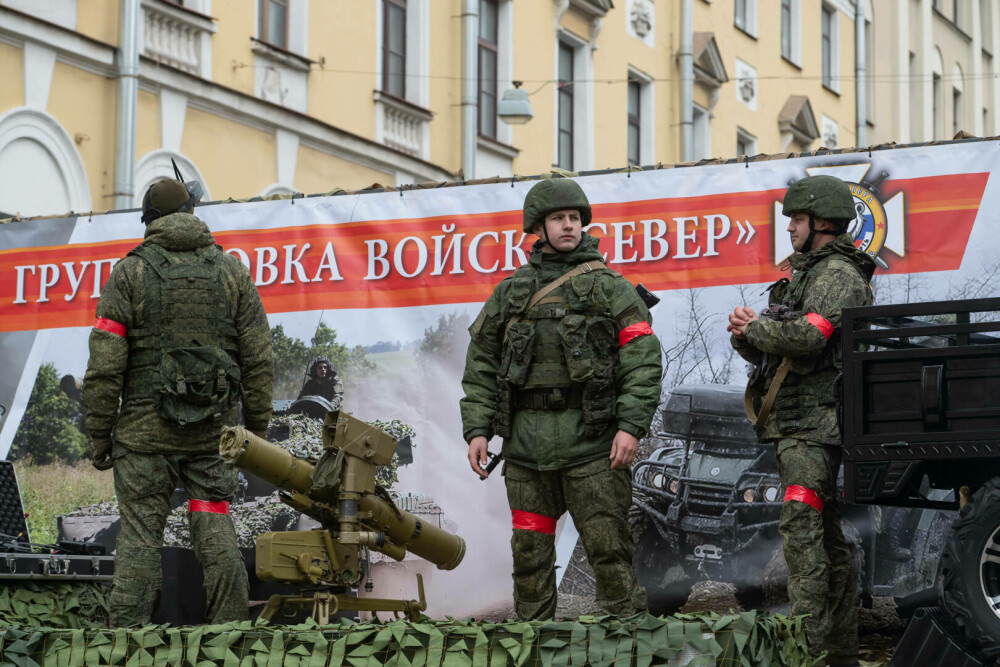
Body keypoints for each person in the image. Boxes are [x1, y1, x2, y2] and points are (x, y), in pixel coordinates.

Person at [460, 178, 662, 620]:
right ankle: (535, 648)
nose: (568, 226)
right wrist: (478, 429)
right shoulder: (511, 291)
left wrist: (630, 426)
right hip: (526, 449)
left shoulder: (610, 287)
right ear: (539, 226)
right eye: (558, 218)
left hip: (592, 445)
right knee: (529, 557)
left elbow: (643, 360)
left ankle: (631, 645)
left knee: (609, 552)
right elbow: (482, 364)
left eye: (574, 218)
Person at [83, 177, 274, 627]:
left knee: (139, 537)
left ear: (150, 220)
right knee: (214, 525)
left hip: (143, 440)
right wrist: (257, 431)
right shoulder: (231, 272)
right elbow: (259, 356)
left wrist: (99, 433)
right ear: (190, 212)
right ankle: (231, 638)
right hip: (213, 438)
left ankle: (125, 644)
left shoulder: (129, 273)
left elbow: (105, 365)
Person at [727, 175, 874, 667]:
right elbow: (780, 344)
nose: (788, 227)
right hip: (798, 426)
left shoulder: (836, 274)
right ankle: (838, 654)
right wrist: (747, 335)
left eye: (797, 219)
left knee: (803, 530)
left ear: (823, 223)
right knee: (826, 542)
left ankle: (807, 652)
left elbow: (811, 338)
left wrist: (759, 328)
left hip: (818, 426)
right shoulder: (806, 273)